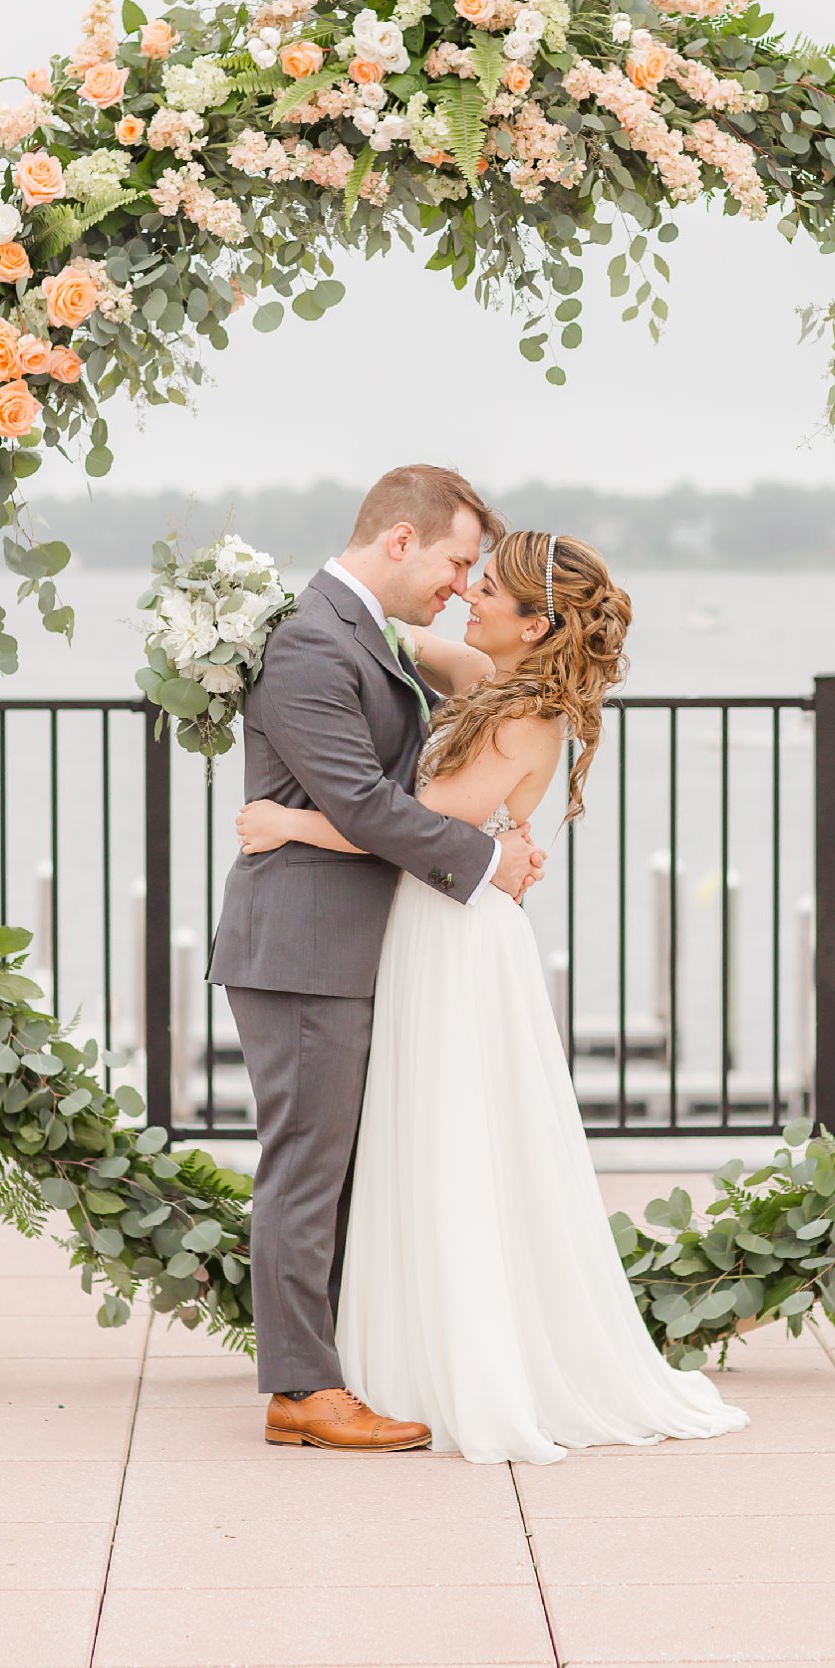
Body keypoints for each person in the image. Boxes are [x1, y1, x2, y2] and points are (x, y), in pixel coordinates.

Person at [236, 529, 747, 1465]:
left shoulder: (529, 714)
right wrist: (260, 609)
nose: (470, 596)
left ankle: (458, 1357)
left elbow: (416, 827)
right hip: (430, 923)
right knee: (414, 1137)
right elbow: (376, 625)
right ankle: (394, 1350)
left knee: (452, 1138)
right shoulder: (487, 677)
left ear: (538, 623)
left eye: (490, 589)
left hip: (456, 938)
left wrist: (287, 820)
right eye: (467, 576)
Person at [208, 465, 546, 1454]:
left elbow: (456, 710)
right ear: (398, 541)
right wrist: (489, 859)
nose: (456, 582)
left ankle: (334, 1363)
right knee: (308, 1173)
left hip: (345, 939)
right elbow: (362, 804)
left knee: (340, 1171)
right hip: (306, 945)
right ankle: (301, 1391)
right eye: (451, 560)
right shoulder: (315, 641)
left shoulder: (361, 629)